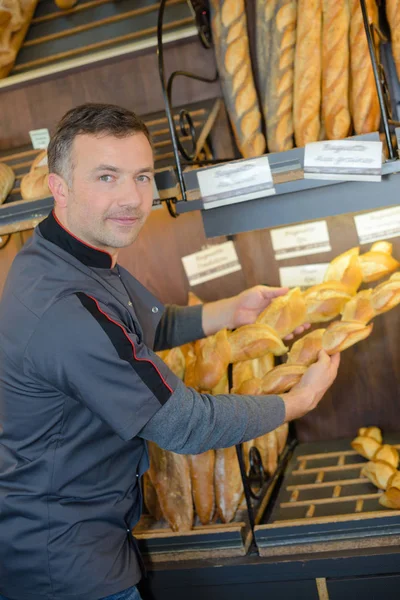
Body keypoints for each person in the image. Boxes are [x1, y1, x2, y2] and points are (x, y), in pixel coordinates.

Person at [0, 103, 340, 600]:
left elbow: (139, 330)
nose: (132, 198)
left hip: (76, 539)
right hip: (63, 566)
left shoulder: (65, 255)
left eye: (141, 176)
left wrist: (231, 311)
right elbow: (184, 425)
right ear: (59, 187)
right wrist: (295, 402)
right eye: (106, 177)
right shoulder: (65, 309)